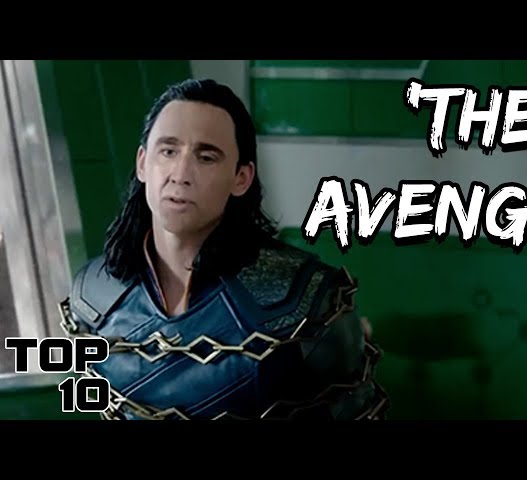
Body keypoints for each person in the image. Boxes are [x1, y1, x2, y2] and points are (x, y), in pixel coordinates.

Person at [58, 78, 389, 420]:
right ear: (142, 163)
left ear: (241, 178)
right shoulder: (93, 297)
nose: (180, 174)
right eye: (168, 151)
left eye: (206, 157)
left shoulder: (308, 299)